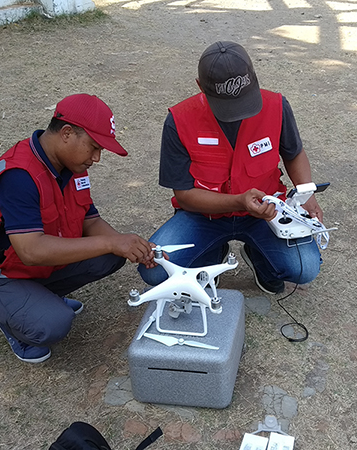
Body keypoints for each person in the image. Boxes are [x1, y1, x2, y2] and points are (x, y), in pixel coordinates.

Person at [0, 93, 156, 363]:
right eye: (93, 147)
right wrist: (112, 242)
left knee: (114, 252)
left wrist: (132, 246)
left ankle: (38, 298)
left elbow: (89, 221)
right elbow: (31, 251)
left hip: (29, 268)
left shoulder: (72, 164)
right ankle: (16, 318)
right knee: (54, 323)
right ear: (66, 133)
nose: (97, 157)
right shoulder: (18, 175)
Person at [138, 41, 323, 294]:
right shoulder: (179, 121)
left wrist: (306, 193)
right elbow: (185, 195)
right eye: (227, 106)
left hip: (266, 215)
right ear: (200, 87)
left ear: (255, 78)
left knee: (305, 268)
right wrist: (239, 201)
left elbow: (294, 152)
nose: (238, 114)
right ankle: (211, 255)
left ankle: (259, 258)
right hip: (202, 217)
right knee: (155, 271)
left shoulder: (277, 107)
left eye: (244, 101)